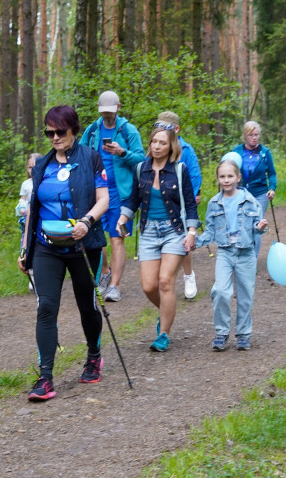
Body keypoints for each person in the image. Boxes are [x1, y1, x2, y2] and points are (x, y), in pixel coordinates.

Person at [18, 105, 110, 402]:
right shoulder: (42, 165)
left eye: (60, 131)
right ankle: (45, 377)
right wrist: (25, 249)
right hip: (47, 247)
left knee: (86, 304)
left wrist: (87, 222)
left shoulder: (91, 159)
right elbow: (33, 209)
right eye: (49, 132)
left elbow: (103, 199)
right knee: (46, 307)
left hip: (84, 244)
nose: (54, 137)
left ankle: (94, 356)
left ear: (74, 130)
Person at [117, 125, 199, 352]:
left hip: (174, 231)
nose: (157, 146)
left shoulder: (180, 170)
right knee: (149, 286)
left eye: (162, 143)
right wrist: (123, 217)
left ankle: (163, 333)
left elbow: (191, 205)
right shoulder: (140, 169)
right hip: (148, 232)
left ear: (170, 146)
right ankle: (167, 313)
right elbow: (132, 200)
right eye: (154, 141)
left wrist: (191, 232)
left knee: (165, 281)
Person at [195, 156, 268, 351]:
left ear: (238, 178)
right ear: (218, 179)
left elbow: (257, 228)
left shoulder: (250, 200)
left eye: (230, 176)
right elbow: (210, 231)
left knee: (245, 295)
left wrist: (260, 227)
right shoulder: (213, 203)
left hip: (246, 253)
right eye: (222, 176)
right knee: (220, 290)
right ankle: (222, 331)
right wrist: (195, 242)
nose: (226, 180)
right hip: (225, 253)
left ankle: (243, 333)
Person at [80, 90, 145, 302]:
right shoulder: (92, 130)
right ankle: (105, 272)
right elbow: (79, 155)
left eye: (110, 111)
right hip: (97, 193)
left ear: (118, 108)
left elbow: (142, 161)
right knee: (98, 239)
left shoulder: (129, 131)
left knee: (117, 237)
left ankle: (115, 286)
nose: (107, 116)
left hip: (122, 194)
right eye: (103, 112)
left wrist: (122, 152)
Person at [156, 111, 203, 300]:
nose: (160, 132)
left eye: (165, 128)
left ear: (176, 129)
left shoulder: (187, 150)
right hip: (159, 202)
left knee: (184, 241)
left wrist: (191, 196)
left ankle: (188, 275)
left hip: (181, 202)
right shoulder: (156, 146)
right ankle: (166, 280)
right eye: (158, 127)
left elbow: (195, 176)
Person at [232, 121, 277, 262]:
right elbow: (229, 170)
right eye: (251, 135)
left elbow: (272, 173)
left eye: (257, 135)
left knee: (257, 225)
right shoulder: (237, 151)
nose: (254, 138)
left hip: (260, 194)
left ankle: (252, 260)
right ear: (245, 136)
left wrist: (272, 188)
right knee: (242, 224)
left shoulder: (265, 153)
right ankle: (241, 255)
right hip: (241, 193)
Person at [15, 152, 42, 233]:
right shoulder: (25, 184)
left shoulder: (45, 182)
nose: (33, 170)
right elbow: (23, 199)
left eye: (36, 167)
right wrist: (22, 208)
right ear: (26, 168)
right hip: (28, 214)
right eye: (30, 167)